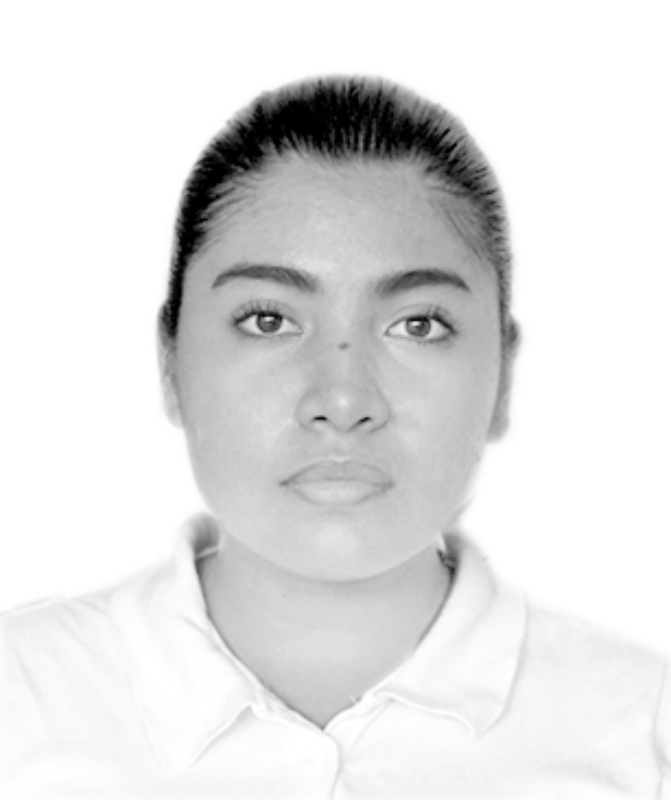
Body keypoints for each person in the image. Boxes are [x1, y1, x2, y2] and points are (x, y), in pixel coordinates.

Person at [0, 75, 669, 799]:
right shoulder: (20, 704)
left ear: (503, 375)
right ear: (169, 362)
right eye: (268, 320)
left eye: (418, 325)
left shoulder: (644, 731)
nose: (343, 402)